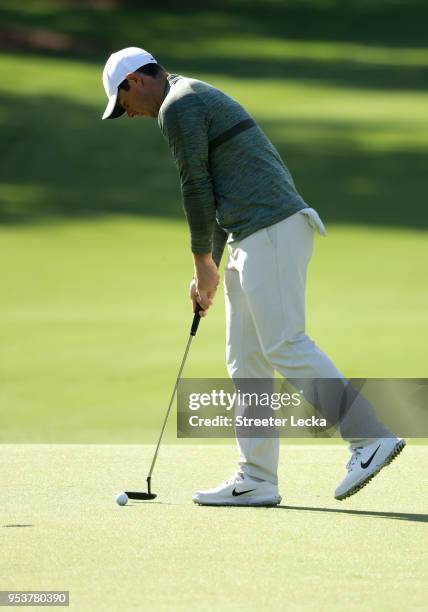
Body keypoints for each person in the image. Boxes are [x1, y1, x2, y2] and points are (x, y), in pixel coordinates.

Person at [101, 47, 405, 506]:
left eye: (123, 103)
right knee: (246, 360)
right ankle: (257, 477)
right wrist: (210, 267)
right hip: (251, 234)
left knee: (285, 342)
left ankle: (369, 438)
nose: (127, 114)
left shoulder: (178, 105)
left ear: (136, 81)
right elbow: (221, 189)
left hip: (273, 230)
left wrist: (202, 260)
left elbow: (196, 186)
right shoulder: (188, 97)